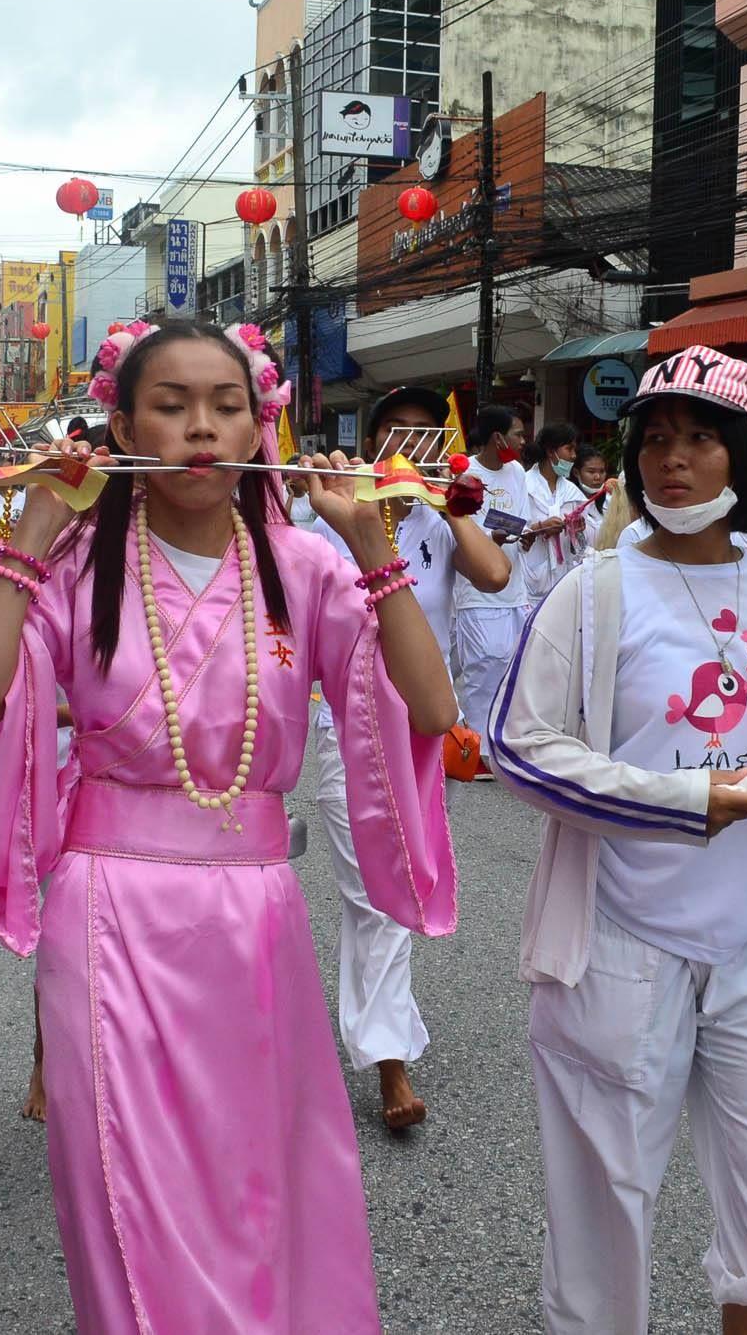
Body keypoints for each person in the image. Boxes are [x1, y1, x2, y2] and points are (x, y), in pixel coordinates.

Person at [0, 319, 459, 1334]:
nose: (199, 429)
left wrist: (372, 546)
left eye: (226, 406)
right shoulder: (76, 560)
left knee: (265, 1180)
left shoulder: (304, 564)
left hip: (254, 921)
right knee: (127, 1194)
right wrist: (28, 538)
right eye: (169, 407)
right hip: (108, 915)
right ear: (122, 424)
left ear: (262, 425)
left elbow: (431, 712)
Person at [491, 346, 747, 1335]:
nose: (672, 461)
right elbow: (518, 750)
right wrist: (684, 799)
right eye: (653, 439)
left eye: (699, 438)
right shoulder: (592, 591)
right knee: (601, 1211)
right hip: (619, 944)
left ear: (746, 456)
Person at [308, 384, 510, 1130]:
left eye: (428, 436)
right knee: (374, 896)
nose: (412, 448)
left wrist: (452, 500)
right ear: (373, 438)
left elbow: (495, 577)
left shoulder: (442, 514)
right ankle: (390, 1060)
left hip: (428, 731)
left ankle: (383, 1035)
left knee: (407, 887)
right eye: (399, 434)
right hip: (349, 726)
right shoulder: (332, 512)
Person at [452, 403, 531, 763]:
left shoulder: (517, 471)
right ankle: (476, 746)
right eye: (517, 433)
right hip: (477, 589)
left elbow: (523, 516)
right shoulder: (465, 471)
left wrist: (526, 533)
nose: (523, 440)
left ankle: (496, 740)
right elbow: (458, 528)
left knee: (510, 666)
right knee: (483, 665)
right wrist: (491, 538)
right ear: (498, 437)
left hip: (514, 588)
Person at [521, 422, 584, 603]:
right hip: (528, 582)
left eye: (575, 450)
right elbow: (510, 532)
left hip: (562, 582)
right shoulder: (523, 485)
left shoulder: (573, 493)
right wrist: (539, 528)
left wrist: (576, 532)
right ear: (551, 451)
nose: (573, 456)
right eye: (569, 449)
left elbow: (580, 546)